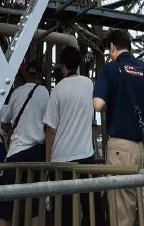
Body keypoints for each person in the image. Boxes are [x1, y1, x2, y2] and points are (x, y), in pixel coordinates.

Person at [93, 29, 144, 226]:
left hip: (121, 148)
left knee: (122, 209)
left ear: (112, 47)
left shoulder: (110, 68)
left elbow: (98, 105)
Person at [45, 46, 95, 226]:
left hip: (62, 160)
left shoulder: (57, 90)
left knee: (64, 212)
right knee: (92, 209)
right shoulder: (89, 84)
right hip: (86, 156)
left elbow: (51, 129)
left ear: (62, 65)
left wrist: (48, 164)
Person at [0, 61, 50, 226]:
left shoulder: (16, 93)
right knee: (35, 204)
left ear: (26, 74)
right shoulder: (44, 92)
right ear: (40, 76)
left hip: (15, 153)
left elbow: (4, 122)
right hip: (36, 153)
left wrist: (10, 132)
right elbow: (49, 124)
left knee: (7, 207)